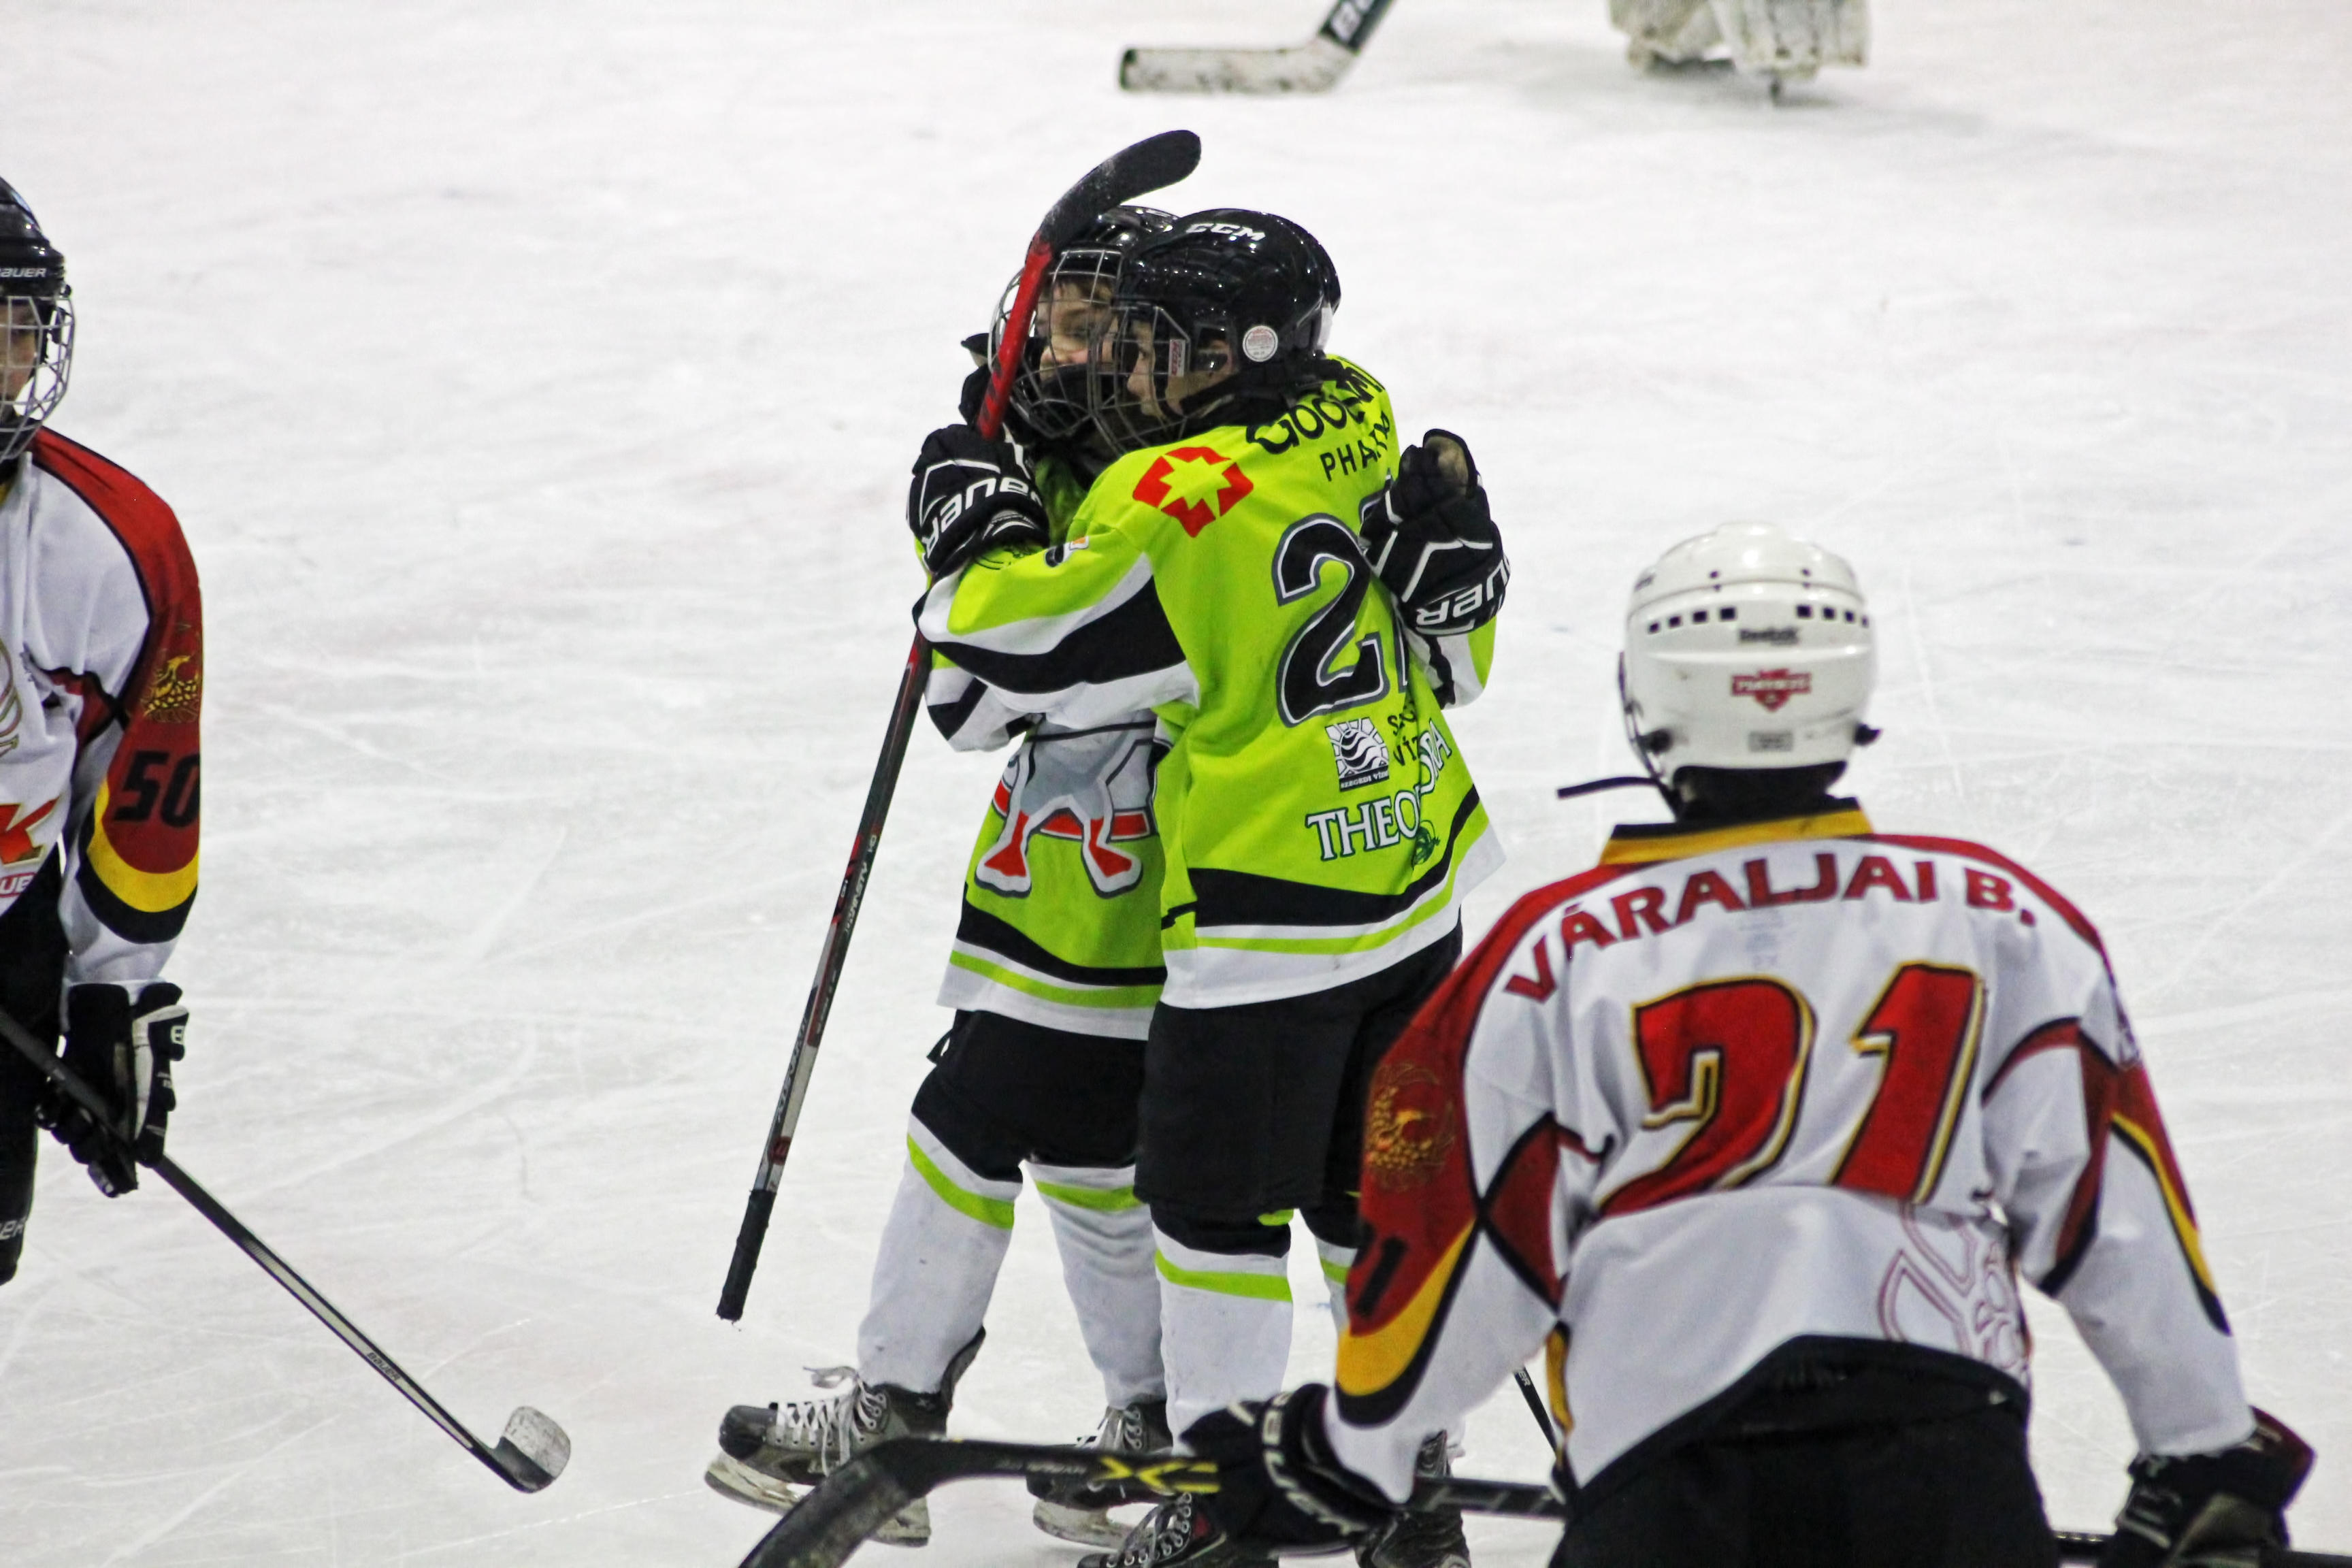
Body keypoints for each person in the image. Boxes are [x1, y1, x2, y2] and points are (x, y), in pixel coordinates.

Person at [1183, 522, 2313, 1568]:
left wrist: (1355, 1449)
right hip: (1947, 1474)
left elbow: (1462, 1244)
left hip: (1670, 1491)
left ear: (1647, 698)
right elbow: (2118, 1214)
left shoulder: (1548, 961)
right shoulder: (2000, 921)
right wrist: (2203, 1447)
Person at [907, 208, 1511, 1568]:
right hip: (1415, 878)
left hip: (1266, 920)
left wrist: (970, 536)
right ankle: (1414, 1493)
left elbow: (992, 674)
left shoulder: (1164, 505)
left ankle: (1221, 1508)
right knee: (1369, 1206)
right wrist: (1473, 584)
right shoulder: (1360, 410)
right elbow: (1453, 651)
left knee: (1212, 1216)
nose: (1127, 368)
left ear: (1239, 352)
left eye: (1155, 345)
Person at [707, 210, 1180, 1550]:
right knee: (1083, 1145)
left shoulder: (1167, 492)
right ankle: (1144, 1427)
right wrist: (990, 505)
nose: (1062, 352)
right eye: (1052, 323)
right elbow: (977, 695)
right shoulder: (1075, 463)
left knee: (976, 1118)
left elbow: (978, 699)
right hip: (1068, 876)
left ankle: (906, 1417)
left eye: (1092, 328)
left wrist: (980, 548)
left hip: (1135, 885)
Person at [0, 178, 201, 1286]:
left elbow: (145, 787)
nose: (5, 361)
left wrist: (111, 989)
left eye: (19, 327)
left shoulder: (113, 546)